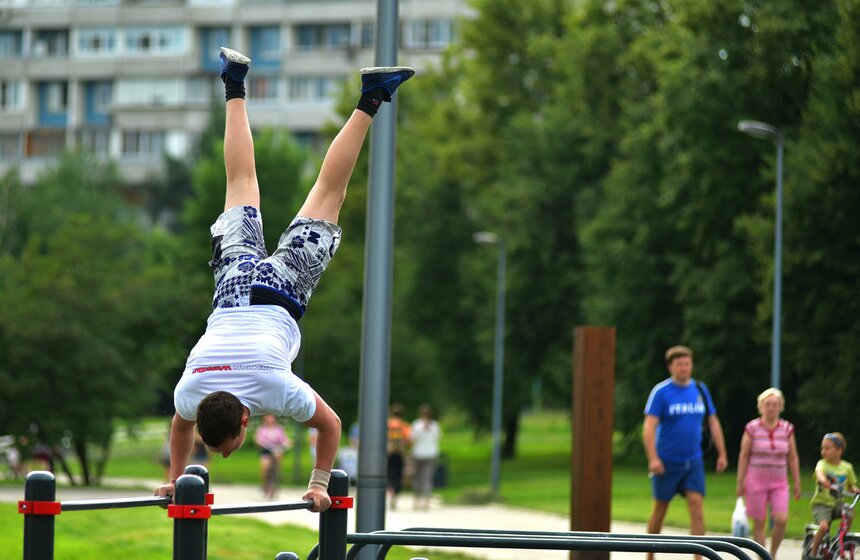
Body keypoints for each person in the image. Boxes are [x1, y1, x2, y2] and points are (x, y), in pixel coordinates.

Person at [154, 46, 414, 512]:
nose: (228, 452)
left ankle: (372, 98)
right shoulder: (189, 389)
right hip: (232, 286)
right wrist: (174, 480)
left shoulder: (276, 389)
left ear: (246, 419)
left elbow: (330, 425)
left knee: (328, 191)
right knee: (240, 183)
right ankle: (234, 83)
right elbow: (180, 424)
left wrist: (318, 485)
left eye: (228, 445)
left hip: (282, 291)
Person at [643, 345, 728, 560]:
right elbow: (649, 427)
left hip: (694, 461)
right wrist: (653, 458)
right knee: (660, 510)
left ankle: (699, 556)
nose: (684, 368)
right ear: (671, 366)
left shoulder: (700, 389)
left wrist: (722, 454)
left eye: (687, 363)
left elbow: (713, 421)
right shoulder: (661, 392)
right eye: (679, 364)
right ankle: (649, 555)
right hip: (667, 462)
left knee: (697, 506)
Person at [736, 388, 802, 559]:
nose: (771, 408)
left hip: (779, 481)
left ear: (781, 407)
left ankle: (771, 553)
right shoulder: (752, 428)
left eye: (775, 405)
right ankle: (762, 555)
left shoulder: (787, 429)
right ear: (761, 407)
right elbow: (744, 456)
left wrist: (797, 482)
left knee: (781, 519)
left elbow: (793, 457)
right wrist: (740, 482)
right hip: (756, 480)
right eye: (767, 404)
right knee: (759, 522)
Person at [809, 432, 859, 558]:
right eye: (822, 448)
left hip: (836, 504)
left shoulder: (847, 467)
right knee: (824, 527)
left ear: (838, 450)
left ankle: (840, 538)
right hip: (821, 504)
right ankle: (813, 554)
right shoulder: (822, 463)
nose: (823, 451)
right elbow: (819, 473)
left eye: (827, 448)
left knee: (849, 512)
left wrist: (855, 490)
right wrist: (823, 480)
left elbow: (850, 486)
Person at [410, 403, 441, 511]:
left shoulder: (416, 425)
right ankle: (426, 501)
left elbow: (412, 439)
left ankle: (416, 500)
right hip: (431, 454)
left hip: (418, 454)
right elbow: (438, 438)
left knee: (417, 477)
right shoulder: (435, 426)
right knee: (427, 478)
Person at [254, 414, 292, 498]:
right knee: (265, 467)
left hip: (277, 451)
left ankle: (274, 485)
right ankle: (265, 484)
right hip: (266, 451)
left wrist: (286, 444)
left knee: (276, 466)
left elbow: (284, 440)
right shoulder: (262, 429)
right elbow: (258, 440)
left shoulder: (279, 429)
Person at [386, 403, 412, 510]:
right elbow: (409, 440)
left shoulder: (388, 424)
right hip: (400, 453)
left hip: (389, 453)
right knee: (398, 474)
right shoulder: (404, 426)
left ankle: (390, 490)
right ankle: (395, 493)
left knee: (389, 473)